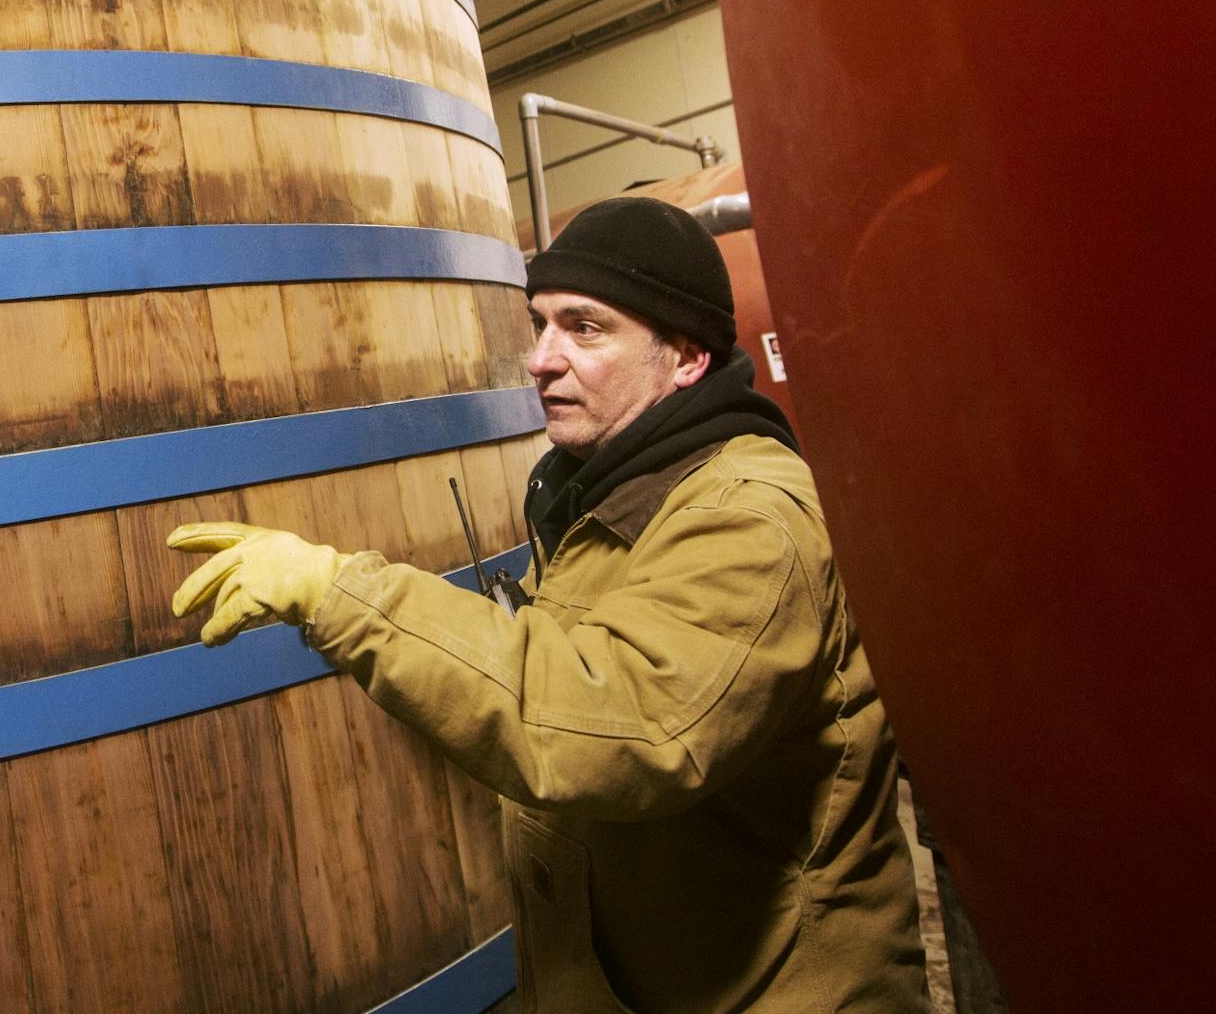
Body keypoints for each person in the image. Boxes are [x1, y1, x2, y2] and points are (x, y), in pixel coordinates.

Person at [170, 197, 926, 1012]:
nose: (541, 358)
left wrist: (343, 594)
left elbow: (615, 723)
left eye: (586, 328)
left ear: (685, 358)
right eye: (541, 324)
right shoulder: (606, 488)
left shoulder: (748, 518)